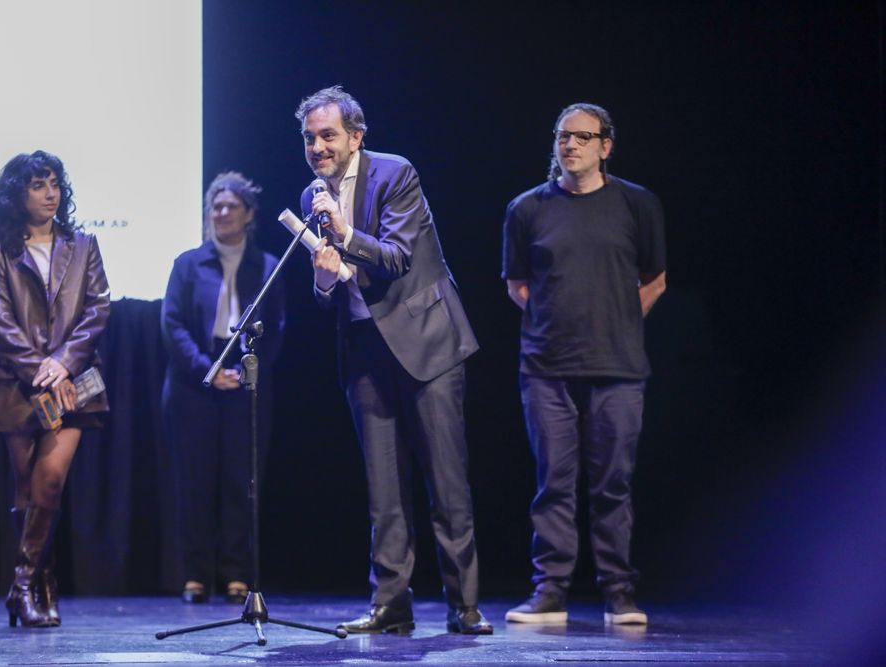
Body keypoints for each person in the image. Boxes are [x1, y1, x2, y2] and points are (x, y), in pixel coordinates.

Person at [298, 86, 491, 635]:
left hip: (426, 342)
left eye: (328, 135)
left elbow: (397, 258)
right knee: (383, 488)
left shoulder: (395, 174)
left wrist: (342, 231)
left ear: (355, 136)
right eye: (310, 137)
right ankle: (391, 604)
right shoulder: (315, 193)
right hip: (363, 348)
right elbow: (332, 285)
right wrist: (322, 275)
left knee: (446, 481)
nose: (318, 147)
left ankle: (465, 605)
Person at [501, 103, 667, 626]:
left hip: (617, 368)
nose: (569, 145)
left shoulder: (637, 204)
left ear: (605, 146)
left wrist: (613, 320)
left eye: (582, 137)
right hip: (546, 368)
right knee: (554, 481)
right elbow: (518, 285)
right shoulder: (527, 208)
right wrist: (559, 321)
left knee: (612, 482)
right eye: (562, 137)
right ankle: (549, 593)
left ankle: (619, 594)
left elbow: (655, 279)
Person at [0, 150, 111, 628]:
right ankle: (43, 582)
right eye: (38, 185)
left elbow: (98, 308)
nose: (50, 193)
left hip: (74, 384)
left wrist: (63, 364)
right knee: (26, 489)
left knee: (51, 479)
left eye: (54, 183)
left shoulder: (84, 244)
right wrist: (40, 366)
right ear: (17, 193)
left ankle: (21, 584)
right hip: (15, 382)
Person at [161, 171, 285, 605]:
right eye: (215, 206)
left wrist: (246, 373)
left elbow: (278, 328)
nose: (221, 213)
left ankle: (236, 575)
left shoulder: (267, 266)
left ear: (248, 214)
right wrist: (207, 369)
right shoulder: (187, 263)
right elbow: (172, 324)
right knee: (194, 482)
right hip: (193, 382)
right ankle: (195, 575)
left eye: (231, 206)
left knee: (241, 481)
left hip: (246, 381)